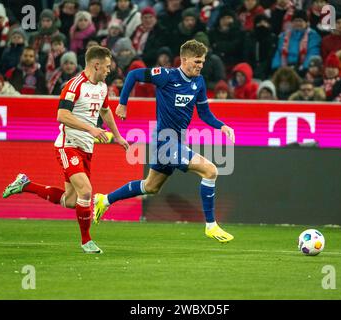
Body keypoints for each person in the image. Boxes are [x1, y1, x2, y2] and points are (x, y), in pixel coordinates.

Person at [93, 40, 236, 243]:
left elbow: (204, 113)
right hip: (165, 143)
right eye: (197, 61)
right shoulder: (166, 76)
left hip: (176, 142)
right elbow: (134, 75)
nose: (200, 65)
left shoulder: (199, 82)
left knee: (150, 186)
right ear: (184, 60)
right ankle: (211, 226)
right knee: (210, 170)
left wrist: (222, 126)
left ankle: (104, 200)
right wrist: (122, 105)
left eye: (202, 62)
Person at [2, 46, 130, 254]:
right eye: (106, 67)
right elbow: (62, 115)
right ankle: (86, 241)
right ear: (96, 65)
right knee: (86, 191)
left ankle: (26, 184)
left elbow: (105, 111)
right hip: (68, 145)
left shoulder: (102, 87)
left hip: (86, 148)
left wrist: (117, 135)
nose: (109, 70)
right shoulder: (74, 86)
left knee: (71, 201)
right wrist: (91, 128)